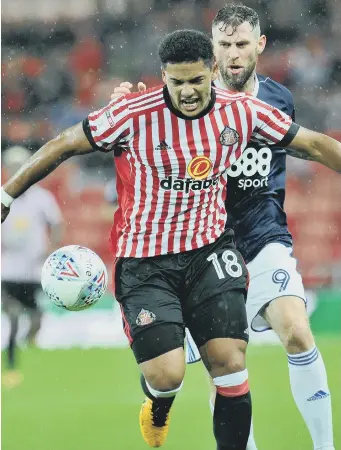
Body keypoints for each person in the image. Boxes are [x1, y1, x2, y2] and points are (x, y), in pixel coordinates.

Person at [1, 30, 341, 450]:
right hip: (146, 262)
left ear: (212, 72)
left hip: (210, 253)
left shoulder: (242, 112)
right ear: (164, 76)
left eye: (196, 81)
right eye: (176, 82)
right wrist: (6, 194)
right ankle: (159, 405)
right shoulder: (133, 113)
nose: (187, 92)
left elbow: (312, 143)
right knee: (167, 376)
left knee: (231, 364)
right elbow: (63, 144)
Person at [111, 5, 338, 450]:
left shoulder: (278, 101)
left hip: (261, 237)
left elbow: (307, 148)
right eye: (225, 45)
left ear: (260, 45)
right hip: (202, 251)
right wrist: (127, 111)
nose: (233, 55)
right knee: (226, 367)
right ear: (212, 52)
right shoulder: (183, 104)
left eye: (241, 44)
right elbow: (141, 152)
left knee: (296, 330)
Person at [1, 145, 63, 388]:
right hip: (8, 270)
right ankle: (12, 365)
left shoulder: (41, 198)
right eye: (12, 165)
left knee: (37, 318)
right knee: (13, 316)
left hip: (33, 271)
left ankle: (26, 351)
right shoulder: (4, 195)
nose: (16, 170)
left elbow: (56, 224)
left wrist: (50, 249)